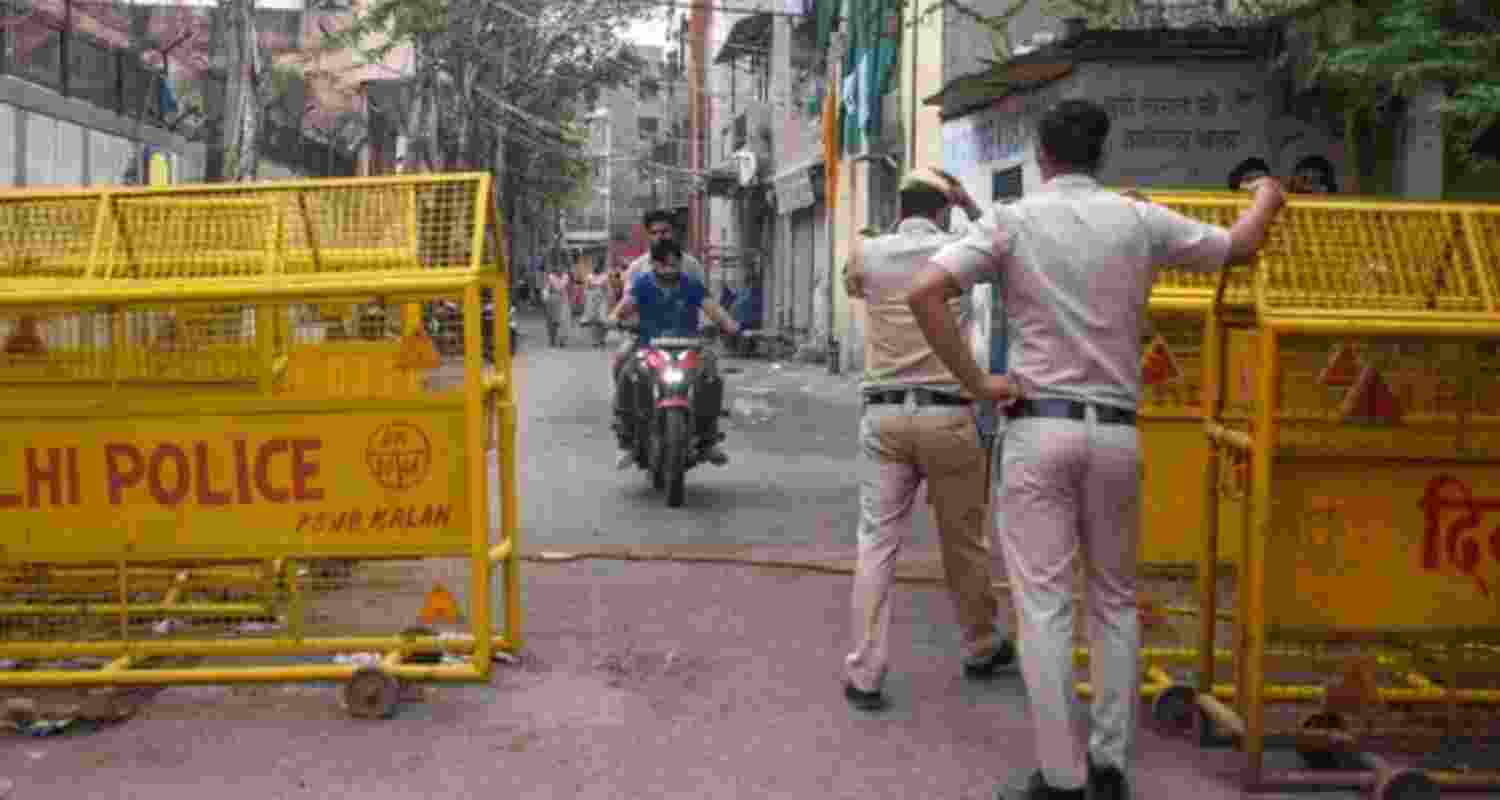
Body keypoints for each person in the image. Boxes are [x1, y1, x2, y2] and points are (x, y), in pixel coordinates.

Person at [906, 99, 1287, 800]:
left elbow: (927, 291)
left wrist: (978, 384)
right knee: (1114, 600)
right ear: (1101, 155)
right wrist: (1268, 193)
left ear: (1042, 156)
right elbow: (1240, 245)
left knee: (1045, 605)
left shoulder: (1013, 221)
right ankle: (1112, 767)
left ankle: (1061, 777)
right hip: (1116, 432)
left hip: (1037, 427)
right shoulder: (1138, 220)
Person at [838, 167, 1017, 715]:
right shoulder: (960, 247)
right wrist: (969, 204)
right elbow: (1009, 252)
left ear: (900, 207)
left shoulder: (867, 254)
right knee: (963, 541)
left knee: (877, 543)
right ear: (942, 210)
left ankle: (866, 670)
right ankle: (981, 644)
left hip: (886, 416)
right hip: (949, 416)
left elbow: (853, 282)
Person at [608, 238, 740, 470]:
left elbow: (714, 309)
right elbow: (623, 308)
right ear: (654, 265)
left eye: (674, 264)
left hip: (689, 346)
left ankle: (708, 439)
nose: (670, 269)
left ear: (680, 263)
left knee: (711, 371)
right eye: (664, 265)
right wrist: (613, 319)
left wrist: (731, 326)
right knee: (626, 369)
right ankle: (625, 440)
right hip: (648, 346)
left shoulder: (690, 285)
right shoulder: (642, 284)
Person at [543, 265, 574, 347]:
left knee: (563, 321)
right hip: (553, 302)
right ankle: (552, 340)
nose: (559, 270)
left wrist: (571, 299)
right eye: (557, 268)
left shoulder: (566, 277)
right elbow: (546, 289)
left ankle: (562, 340)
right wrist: (546, 298)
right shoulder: (550, 277)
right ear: (555, 270)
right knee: (552, 322)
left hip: (564, 302)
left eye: (561, 268)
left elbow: (570, 288)